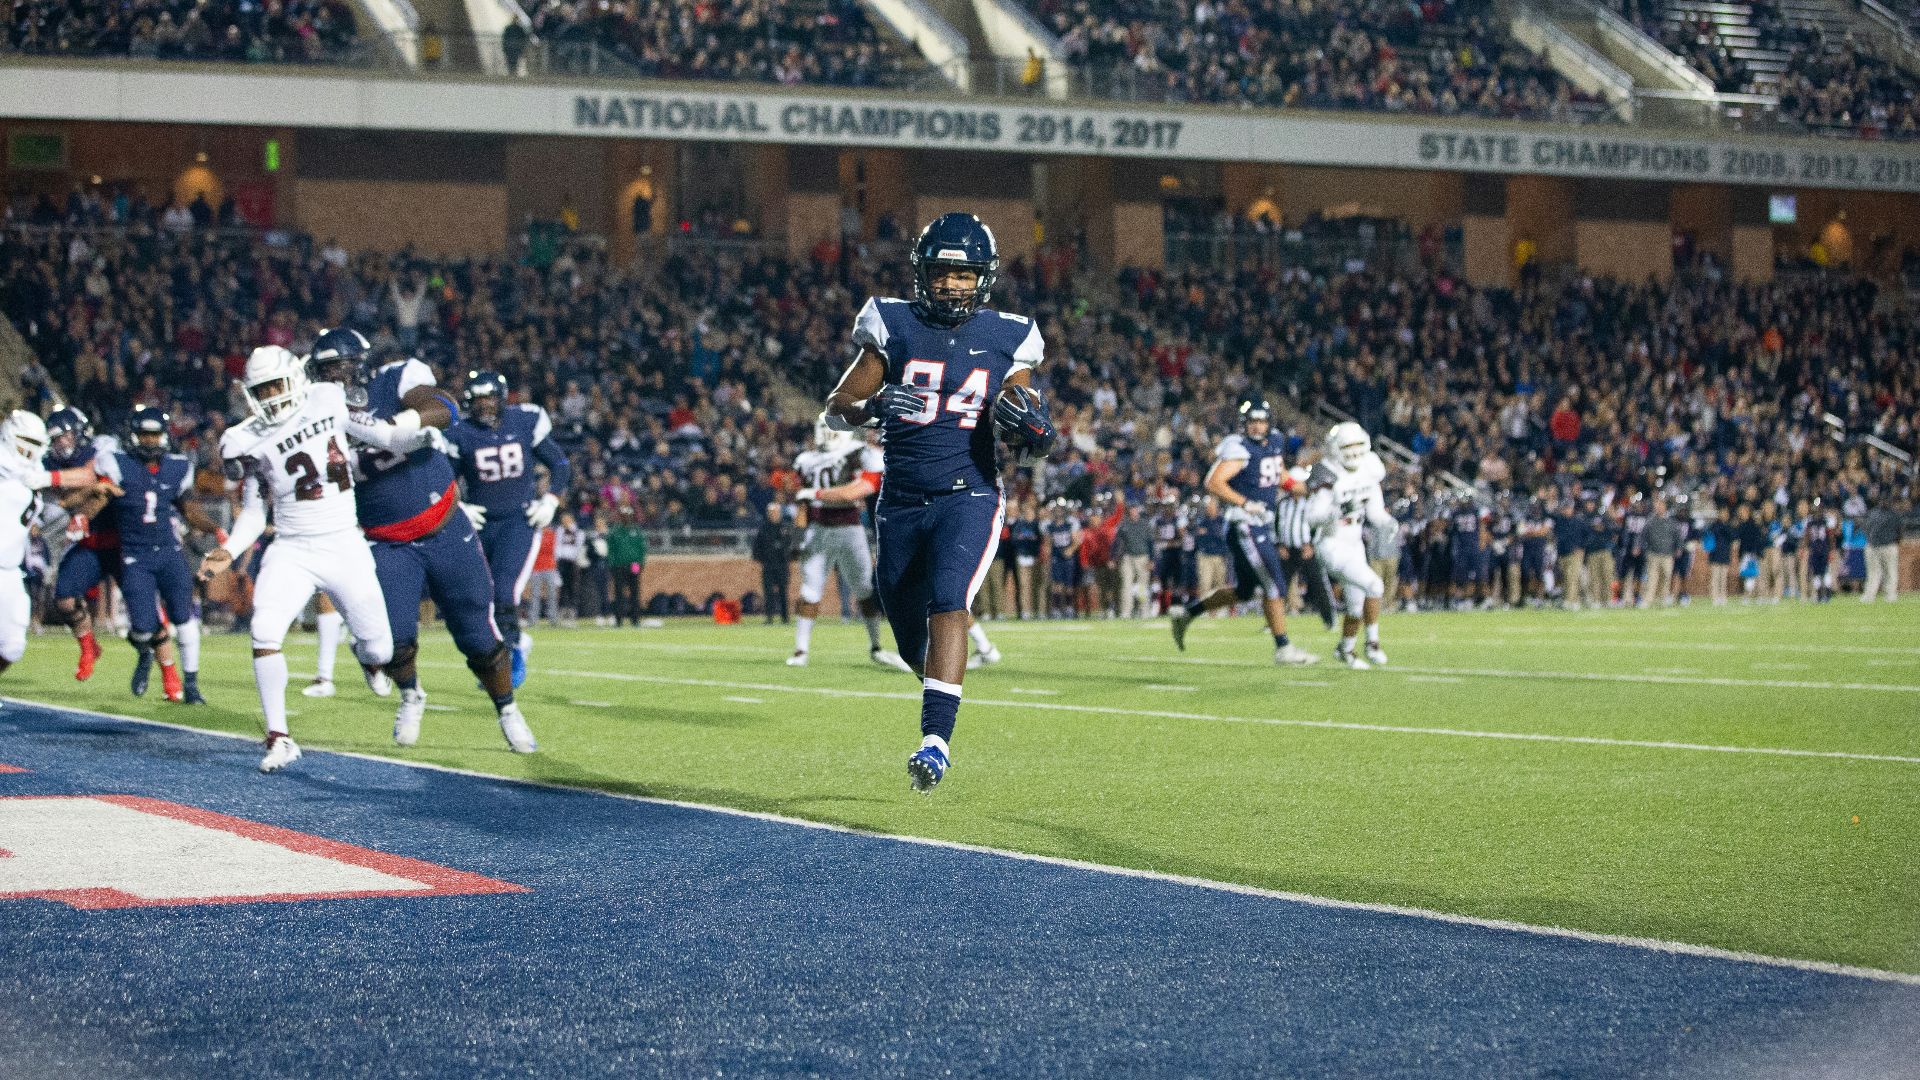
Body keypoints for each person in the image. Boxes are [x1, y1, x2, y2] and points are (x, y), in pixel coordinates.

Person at [822, 212, 1053, 793]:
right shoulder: (892, 324)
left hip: (969, 492)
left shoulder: (1008, 335)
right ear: (923, 273)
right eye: (942, 272)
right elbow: (837, 403)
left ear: (984, 277)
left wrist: (1036, 430)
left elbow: (1026, 413)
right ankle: (935, 687)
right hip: (900, 501)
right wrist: (873, 405)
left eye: (964, 273)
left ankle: (935, 743)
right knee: (907, 635)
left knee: (951, 597)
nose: (952, 284)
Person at [307, 327, 536, 754]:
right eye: (325, 370)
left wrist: (395, 426)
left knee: (477, 634)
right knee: (392, 639)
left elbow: (440, 406)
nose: (334, 377)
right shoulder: (313, 418)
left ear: (361, 364)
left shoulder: (395, 378)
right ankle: (411, 693)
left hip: (444, 525)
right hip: (385, 540)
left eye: (340, 366)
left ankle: (506, 707)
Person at [198, 346, 402, 772]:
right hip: (291, 547)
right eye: (262, 389)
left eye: (276, 384)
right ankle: (279, 736)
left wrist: (421, 434)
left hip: (344, 541)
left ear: (295, 377)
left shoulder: (327, 397)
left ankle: (367, 659)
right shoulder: (242, 439)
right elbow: (255, 510)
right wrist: (228, 550)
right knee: (265, 629)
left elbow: (381, 435)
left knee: (380, 646)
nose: (271, 395)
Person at [92, 405, 226, 704]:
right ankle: (143, 654)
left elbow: (189, 509)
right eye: (144, 435)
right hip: (135, 556)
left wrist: (215, 529)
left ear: (164, 436)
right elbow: (97, 499)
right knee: (142, 627)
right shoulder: (116, 464)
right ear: (133, 436)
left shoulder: (178, 466)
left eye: (154, 435)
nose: (150, 441)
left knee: (184, 619)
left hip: (169, 552)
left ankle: (191, 684)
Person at [445, 370, 571, 687]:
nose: (485, 406)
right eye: (478, 401)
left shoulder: (524, 421)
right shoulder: (461, 433)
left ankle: (511, 656)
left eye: (490, 399)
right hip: (481, 524)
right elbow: (443, 478)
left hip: (518, 521)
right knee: (479, 598)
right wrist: (458, 506)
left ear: (501, 399)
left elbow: (560, 464)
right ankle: (495, 657)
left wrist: (552, 500)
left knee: (503, 591)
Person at [1168, 398, 1313, 663]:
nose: (1257, 427)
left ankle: (1188, 613)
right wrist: (1245, 502)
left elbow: (1277, 475)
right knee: (1275, 584)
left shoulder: (1275, 442)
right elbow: (1213, 482)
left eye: (1261, 421)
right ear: (1244, 424)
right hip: (1245, 523)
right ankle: (1283, 647)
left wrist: (1303, 488)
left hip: (1259, 523)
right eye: (1253, 422)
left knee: (1245, 590)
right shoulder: (1239, 448)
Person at [0, 411, 119, 680]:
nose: (28, 449)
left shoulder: (35, 469)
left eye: (35, 443)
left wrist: (49, 479)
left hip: (7, 570)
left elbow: (89, 476)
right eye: (23, 442)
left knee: (13, 646)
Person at [786, 415, 910, 670]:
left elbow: (862, 487)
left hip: (850, 528)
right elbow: (801, 506)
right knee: (809, 591)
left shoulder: (858, 451)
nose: (827, 434)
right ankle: (801, 650)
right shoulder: (805, 460)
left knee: (864, 590)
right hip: (818, 528)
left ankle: (876, 645)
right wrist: (797, 540)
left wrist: (817, 495)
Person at [1303, 423, 1396, 669]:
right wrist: (1336, 510)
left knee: (1355, 606)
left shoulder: (1370, 469)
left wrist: (1388, 521)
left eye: (1357, 445)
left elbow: (1374, 511)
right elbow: (1312, 516)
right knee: (1375, 585)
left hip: (1355, 544)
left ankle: (1345, 649)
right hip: (1331, 545)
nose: (1353, 452)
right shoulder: (1328, 473)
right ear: (1336, 449)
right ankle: (1372, 644)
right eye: (1347, 446)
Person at [42, 407, 121, 681]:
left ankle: (169, 674)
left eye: (65, 436)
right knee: (64, 598)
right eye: (56, 439)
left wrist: (50, 480)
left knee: (142, 608)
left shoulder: (102, 448)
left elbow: (90, 476)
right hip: (89, 543)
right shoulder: (50, 463)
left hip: (120, 539)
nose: (61, 443)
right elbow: (70, 495)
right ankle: (88, 647)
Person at [753, 501, 796, 624]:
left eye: (776, 512)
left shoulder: (786, 528)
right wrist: (764, 559)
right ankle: (769, 617)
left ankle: (785, 618)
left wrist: (788, 558)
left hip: (782, 565)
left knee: (783, 592)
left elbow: (792, 546)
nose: (774, 515)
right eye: (771, 512)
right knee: (768, 593)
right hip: (768, 565)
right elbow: (757, 548)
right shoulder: (764, 529)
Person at [1861, 490, 1905, 602]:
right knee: (1883, 572)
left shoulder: (1874, 514)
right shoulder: (1891, 514)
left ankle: (1881, 596)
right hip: (1880, 546)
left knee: (1884, 573)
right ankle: (1881, 596)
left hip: (1882, 546)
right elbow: (1900, 532)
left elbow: (1865, 528)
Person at [607, 504, 647, 625]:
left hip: (634, 565)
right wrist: (613, 565)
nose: (626, 517)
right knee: (619, 593)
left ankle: (635, 619)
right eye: (624, 515)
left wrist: (640, 564)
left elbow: (642, 549)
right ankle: (619, 619)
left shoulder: (636, 530)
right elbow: (611, 550)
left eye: (628, 515)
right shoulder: (614, 531)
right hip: (619, 566)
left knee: (635, 592)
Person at [1115, 501, 1155, 618]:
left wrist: (1152, 560)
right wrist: (1114, 558)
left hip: (1142, 557)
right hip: (1127, 557)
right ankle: (1126, 611)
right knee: (1126, 584)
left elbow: (1151, 543)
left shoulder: (1145, 524)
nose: (1133, 511)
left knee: (1142, 585)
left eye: (1134, 509)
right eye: (1131, 509)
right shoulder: (1124, 524)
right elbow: (1117, 543)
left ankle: (1144, 611)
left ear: (1138, 510)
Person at [1642, 494, 1682, 607]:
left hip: (1667, 554)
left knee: (1666, 577)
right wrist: (1640, 546)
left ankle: (1663, 597)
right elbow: (1643, 535)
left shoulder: (1671, 521)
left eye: (1660, 504)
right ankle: (1648, 599)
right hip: (1653, 553)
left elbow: (1677, 536)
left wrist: (1678, 548)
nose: (1658, 507)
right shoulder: (1650, 520)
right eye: (1657, 504)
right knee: (1652, 577)